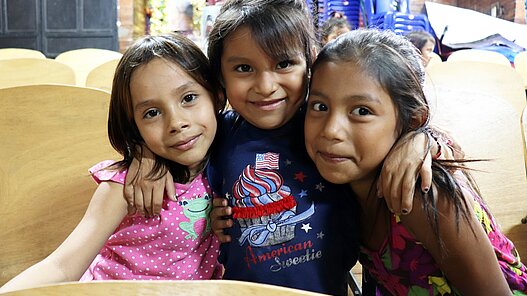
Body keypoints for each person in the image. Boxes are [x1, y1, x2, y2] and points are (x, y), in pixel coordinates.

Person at [124, 1, 438, 295]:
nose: (265, 86)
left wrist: (423, 138)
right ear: (220, 77)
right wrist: (144, 156)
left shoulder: (325, 128)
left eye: (284, 63)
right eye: (244, 69)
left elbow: (401, 112)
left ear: (311, 61)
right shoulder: (214, 133)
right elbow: (170, 138)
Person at [304, 28, 527, 295]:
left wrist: (426, 138)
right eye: (319, 106)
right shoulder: (338, 180)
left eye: (361, 111)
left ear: (412, 121)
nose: (331, 130)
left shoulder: (421, 194)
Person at [0, 33, 225, 293]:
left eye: (188, 98)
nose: (176, 123)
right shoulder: (125, 186)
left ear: (217, 96)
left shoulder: (228, 158)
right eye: (152, 113)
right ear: (134, 127)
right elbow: (62, 266)